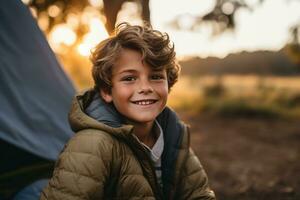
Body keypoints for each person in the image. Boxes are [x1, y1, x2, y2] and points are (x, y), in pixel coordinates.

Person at [40, 22, 215, 200]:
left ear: (167, 84)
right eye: (129, 78)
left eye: (155, 77)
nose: (145, 87)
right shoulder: (93, 144)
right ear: (107, 91)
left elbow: (199, 195)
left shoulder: (174, 137)